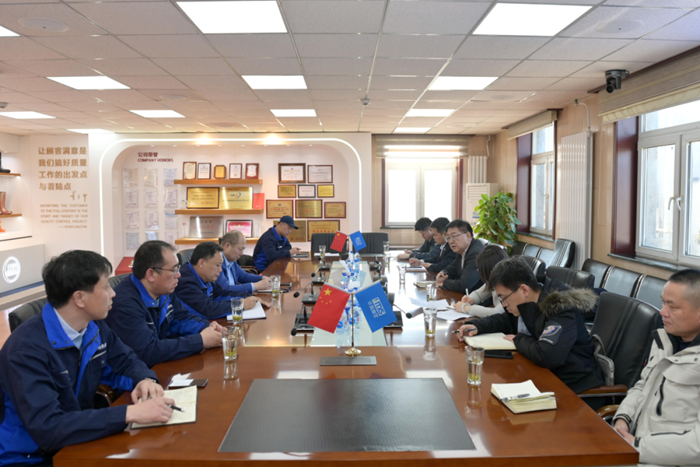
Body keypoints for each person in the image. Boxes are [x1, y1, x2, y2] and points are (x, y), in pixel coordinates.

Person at [0, 250, 174, 466]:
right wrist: (129, 413)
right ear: (79, 298)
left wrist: (144, 380)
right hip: (29, 457)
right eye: (106, 287)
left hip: (75, 439)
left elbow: (126, 361)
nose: (113, 293)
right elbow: (49, 428)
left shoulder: (93, 326)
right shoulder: (26, 349)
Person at [457, 257, 603, 393]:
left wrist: (518, 339)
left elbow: (547, 355)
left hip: (574, 387)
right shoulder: (529, 300)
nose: (504, 304)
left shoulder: (560, 307)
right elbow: (505, 320)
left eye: (504, 298)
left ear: (524, 290)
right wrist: (477, 325)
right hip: (545, 378)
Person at [612, 269, 700, 466]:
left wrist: (637, 446)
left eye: (672, 306)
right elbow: (643, 386)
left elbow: (697, 446)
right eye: (663, 303)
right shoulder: (665, 340)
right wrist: (623, 419)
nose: (662, 312)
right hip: (636, 449)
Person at [106, 240, 223, 368]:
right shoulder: (124, 304)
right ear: (151, 274)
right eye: (174, 269)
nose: (179, 274)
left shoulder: (163, 290)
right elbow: (147, 351)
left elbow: (181, 318)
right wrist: (200, 341)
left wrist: (208, 328)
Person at [175, 241, 263, 319]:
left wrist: (248, 297)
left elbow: (222, 293)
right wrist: (241, 304)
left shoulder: (204, 277)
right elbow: (208, 309)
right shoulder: (185, 282)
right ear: (201, 263)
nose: (220, 270)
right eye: (217, 265)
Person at [455, 245, 509, 317]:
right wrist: (470, 299)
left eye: (480, 269)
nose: (479, 271)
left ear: (490, 269)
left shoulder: (509, 285)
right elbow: (479, 294)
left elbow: (496, 312)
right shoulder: (494, 279)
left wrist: (466, 308)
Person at [436, 219, 484, 294]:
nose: (451, 241)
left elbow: (465, 285)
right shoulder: (462, 250)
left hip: (479, 298)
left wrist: (444, 283)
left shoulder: (475, 253)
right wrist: (443, 273)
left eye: (454, 236)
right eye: (448, 238)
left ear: (468, 236)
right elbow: (453, 267)